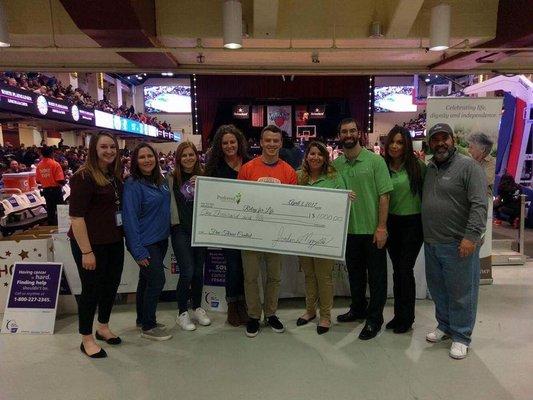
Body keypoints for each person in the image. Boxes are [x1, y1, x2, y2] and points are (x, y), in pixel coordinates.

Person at [422, 123, 488, 359]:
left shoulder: (469, 166)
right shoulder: (430, 168)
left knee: (462, 292)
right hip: (432, 242)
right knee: (439, 290)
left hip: (458, 243)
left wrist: (471, 237)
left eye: (444, 138)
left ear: (453, 140)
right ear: (429, 143)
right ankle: (445, 326)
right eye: (435, 139)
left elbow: (480, 204)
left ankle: (462, 335)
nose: (440, 143)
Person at [333, 118, 393, 340]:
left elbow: (384, 195)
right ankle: (358, 308)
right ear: (340, 135)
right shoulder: (337, 165)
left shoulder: (375, 161)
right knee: (356, 276)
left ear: (358, 133)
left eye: (351, 131)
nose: (348, 135)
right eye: (344, 131)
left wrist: (382, 227)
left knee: (377, 278)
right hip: (348, 232)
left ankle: (375, 319)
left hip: (372, 231)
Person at [238, 125, 298, 337]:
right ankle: (254, 316)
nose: (272, 144)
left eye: (275, 141)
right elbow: (240, 200)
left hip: (276, 234)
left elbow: (292, 205)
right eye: (268, 140)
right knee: (251, 277)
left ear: (281, 143)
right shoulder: (247, 169)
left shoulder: (289, 172)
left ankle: (271, 313)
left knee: (274, 277)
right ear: (261, 142)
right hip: (251, 233)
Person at [68, 132, 124, 358]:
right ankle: (86, 338)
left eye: (112, 147)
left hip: (113, 241)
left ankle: (103, 326)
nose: (109, 151)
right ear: (94, 149)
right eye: (104, 147)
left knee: (110, 286)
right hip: (90, 245)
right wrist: (87, 251)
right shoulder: (84, 177)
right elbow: (76, 218)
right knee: (91, 290)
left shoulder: (112, 175)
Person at [296, 141, 352, 335]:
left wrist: (347, 198)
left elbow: (342, 203)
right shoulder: (299, 176)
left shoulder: (334, 177)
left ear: (325, 158)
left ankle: (326, 316)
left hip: (325, 236)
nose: (315, 157)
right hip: (303, 235)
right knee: (309, 275)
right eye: (312, 154)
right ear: (307, 156)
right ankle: (310, 310)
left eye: (319, 154)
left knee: (324, 277)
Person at [123, 143, 172, 341]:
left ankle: (142, 319)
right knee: (157, 280)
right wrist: (138, 250)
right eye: (142, 157)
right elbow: (130, 218)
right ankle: (149, 326)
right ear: (135, 161)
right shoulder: (133, 184)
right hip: (144, 242)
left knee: (146, 280)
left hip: (160, 240)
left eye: (149, 156)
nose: (147, 160)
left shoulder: (160, 181)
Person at [205, 125, 251, 327]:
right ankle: (233, 307)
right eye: (225, 143)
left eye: (232, 142)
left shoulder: (250, 163)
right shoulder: (214, 167)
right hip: (227, 226)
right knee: (232, 266)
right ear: (219, 145)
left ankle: (247, 306)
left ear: (239, 142)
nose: (229, 146)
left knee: (247, 268)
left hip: (250, 225)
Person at [383, 126, 425, 334]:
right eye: (392, 141)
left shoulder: (418, 167)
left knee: (404, 270)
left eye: (400, 142)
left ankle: (407, 318)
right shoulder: (383, 167)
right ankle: (399, 315)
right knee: (397, 271)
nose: (395, 146)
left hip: (413, 225)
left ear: (407, 145)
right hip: (391, 223)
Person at [169, 142, 211, 331]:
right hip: (180, 230)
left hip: (200, 230)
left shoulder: (204, 177)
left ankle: (197, 308)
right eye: (184, 155)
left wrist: (203, 185)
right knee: (186, 271)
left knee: (198, 271)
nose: (188, 158)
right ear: (179, 158)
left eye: (191, 154)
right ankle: (182, 313)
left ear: (196, 156)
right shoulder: (171, 178)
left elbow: (211, 201)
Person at [36, 146, 65, 226]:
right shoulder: (55, 164)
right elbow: (60, 180)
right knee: (61, 209)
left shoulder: (39, 165)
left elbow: (37, 180)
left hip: (46, 191)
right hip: (56, 190)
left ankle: (51, 228)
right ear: (52, 153)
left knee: (50, 210)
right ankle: (63, 228)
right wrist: (64, 183)